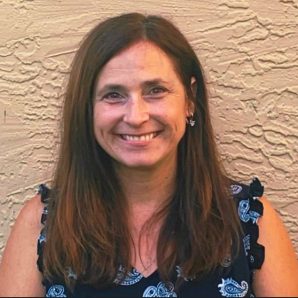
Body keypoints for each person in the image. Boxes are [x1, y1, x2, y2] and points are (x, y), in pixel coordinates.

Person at [0, 12, 297, 297]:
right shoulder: (44, 225)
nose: (136, 116)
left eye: (155, 90)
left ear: (190, 100)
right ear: (87, 109)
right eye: (113, 94)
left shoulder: (248, 222)